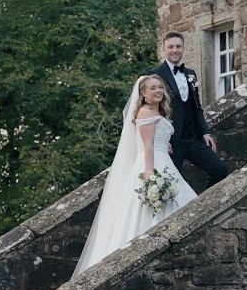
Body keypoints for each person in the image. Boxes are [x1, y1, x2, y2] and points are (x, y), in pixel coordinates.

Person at [72, 75, 198, 277]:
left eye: (160, 87)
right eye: (152, 88)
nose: (157, 91)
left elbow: (152, 139)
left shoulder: (158, 111)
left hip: (162, 159)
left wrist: (164, 143)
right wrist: (150, 173)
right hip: (153, 164)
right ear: (143, 94)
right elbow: (147, 145)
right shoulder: (145, 111)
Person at [154, 31, 230, 188]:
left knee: (219, 170)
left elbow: (197, 107)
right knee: (171, 185)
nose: (175, 50)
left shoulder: (191, 74)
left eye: (178, 46)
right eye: (171, 47)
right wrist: (161, 140)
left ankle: (203, 207)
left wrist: (205, 132)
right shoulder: (155, 74)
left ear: (183, 48)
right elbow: (151, 110)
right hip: (172, 142)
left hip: (193, 138)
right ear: (164, 48)